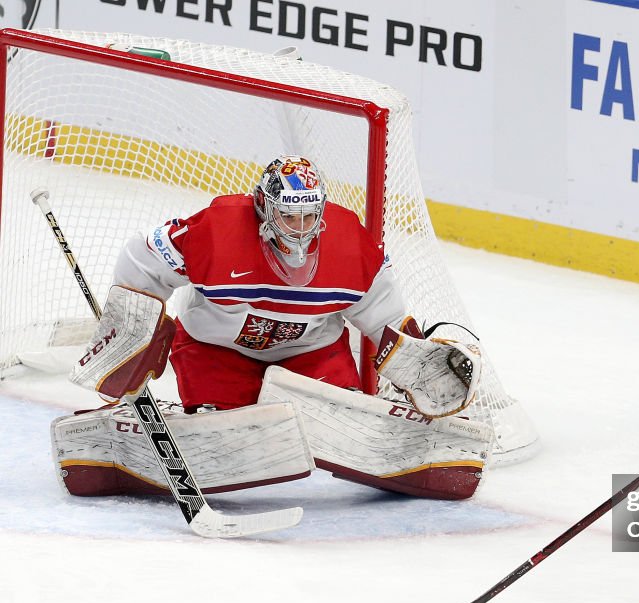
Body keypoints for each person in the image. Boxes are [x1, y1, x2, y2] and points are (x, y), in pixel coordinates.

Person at [57, 155, 487, 501]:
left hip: (313, 352)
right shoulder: (217, 230)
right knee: (228, 440)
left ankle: (426, 455)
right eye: (288, 216)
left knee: (340, 421)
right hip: (217, 350)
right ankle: (117, 442)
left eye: (308, 217)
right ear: (264, 207)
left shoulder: (350, 244)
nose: (300, 230)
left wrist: (417, 361)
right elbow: (142, 258)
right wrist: (135, 324)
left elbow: (384, 315)